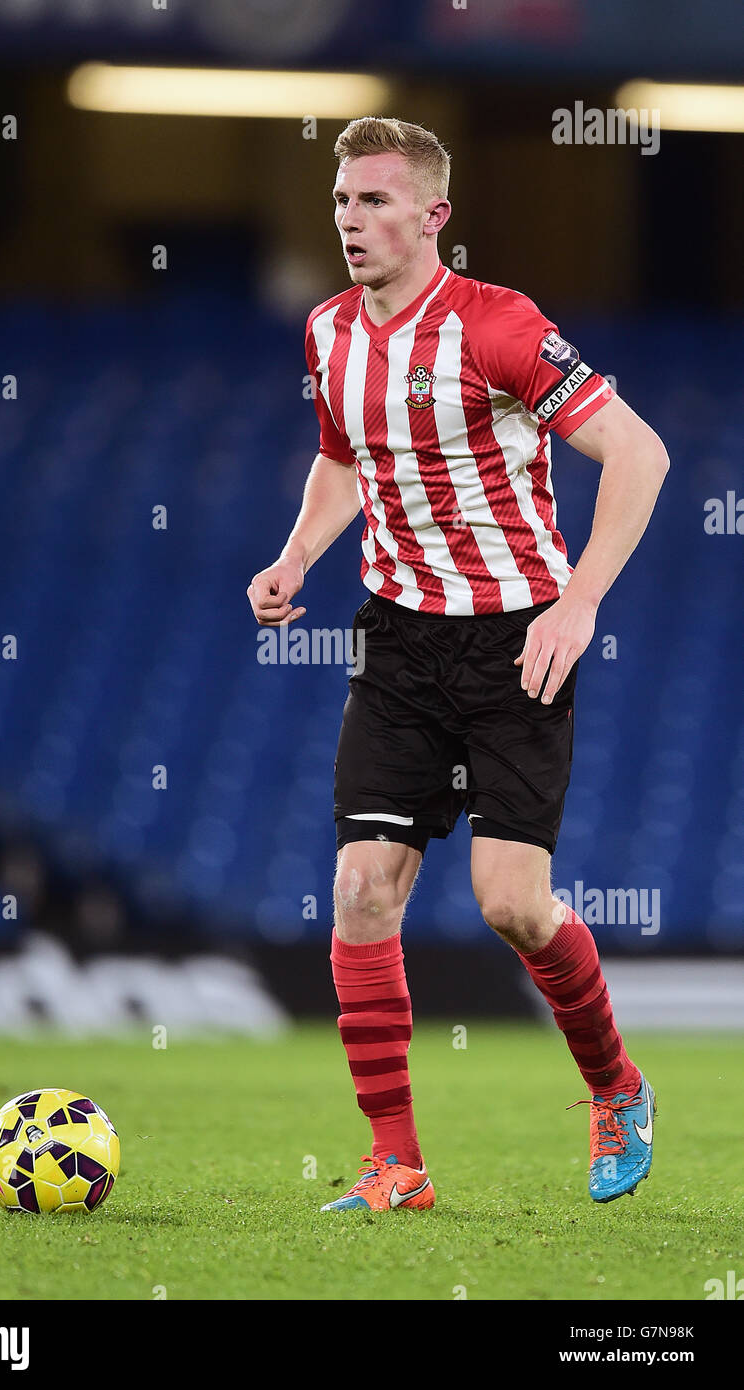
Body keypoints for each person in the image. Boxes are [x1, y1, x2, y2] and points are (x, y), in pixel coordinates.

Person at [247, 116, 669, 1212]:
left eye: (377, 201)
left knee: (510, 904)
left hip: (514, 637)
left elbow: (638, 450)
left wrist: (577, 603)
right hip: (396, 639)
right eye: (343, 200)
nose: (352, 220)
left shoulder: (498, 326)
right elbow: (343, 456)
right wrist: (295, 553)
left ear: (434, 216)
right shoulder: (328, 332)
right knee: (358, 888)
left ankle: (615, 1085)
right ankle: (397, 1163)